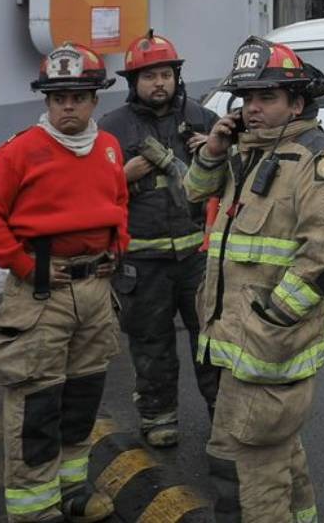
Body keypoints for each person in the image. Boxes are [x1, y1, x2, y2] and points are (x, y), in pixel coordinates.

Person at [184, 38, 324, 522]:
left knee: (241, 466)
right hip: (238, 342)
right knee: (276, 454)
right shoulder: (249, 153)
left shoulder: (318, 163)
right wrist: (215, 149)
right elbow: (192, 194)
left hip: (267, 345)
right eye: (246, 100)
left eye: (266, 98)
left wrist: (271, 318)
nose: (252, 109)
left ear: (296, 102)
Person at [0, 43, 129, 523]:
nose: (68, 106)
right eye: (58, 97)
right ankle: (35, 509)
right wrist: (24, 265)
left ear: (94, 100)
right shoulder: (20, 151)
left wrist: (116, 250)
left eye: (78, 97)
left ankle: (72, 490)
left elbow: (119, 204)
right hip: (41, 294)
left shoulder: (107, 146)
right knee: (37, 404)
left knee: (82, 397)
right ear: (45, 100)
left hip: (94, 292)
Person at [99, 30, 220, 449]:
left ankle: (221, 417)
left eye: (165, 74)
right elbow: (92, 189)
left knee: (210, 339)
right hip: (141, 261)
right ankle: (157, 416)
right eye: (149, 77)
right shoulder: (111, 128)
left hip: (197, 256)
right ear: (134, 82)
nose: (159, 84)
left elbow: (227, 179)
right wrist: (121, 177)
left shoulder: (202, 119)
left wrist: (217, 151)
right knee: (151, 343)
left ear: (176, 77)